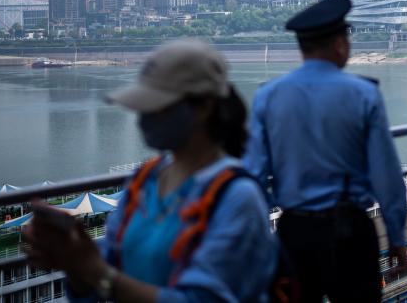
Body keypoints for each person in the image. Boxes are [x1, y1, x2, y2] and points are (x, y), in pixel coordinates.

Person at [24, 40, 277, 302]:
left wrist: (96, 272)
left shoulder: (237, 197)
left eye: (157, 106)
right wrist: (74, 265)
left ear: (204, 107)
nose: (144, 117)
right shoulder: (144, 180)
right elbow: (103, 275)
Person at [244, 0, 407, 303]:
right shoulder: (364, 94)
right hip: (350, 233)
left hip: (294, 231)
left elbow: (253, 176)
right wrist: (397, 236)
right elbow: (386, 176)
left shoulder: (268, 96)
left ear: (302, 48)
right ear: (339, 44)